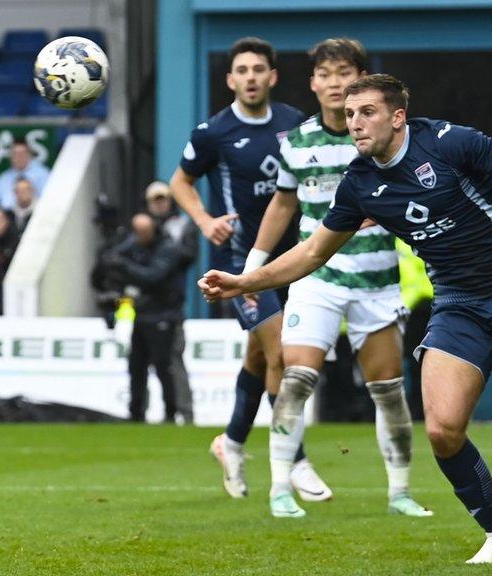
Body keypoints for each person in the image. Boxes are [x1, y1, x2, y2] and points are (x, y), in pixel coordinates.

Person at [201, 73, 492, 564]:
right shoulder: (360, 184)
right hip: (459, 302)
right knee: (443, 430)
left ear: (397, 117)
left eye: (366, 113)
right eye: (348, 115)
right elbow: (312, 253)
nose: (355, 124)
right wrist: (242, 281)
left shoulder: (450, 142)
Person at [247, 38, 429, 518]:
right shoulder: (297, 141)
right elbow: (284, 203)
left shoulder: (382, 140)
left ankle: (399, 493)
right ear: (312, 84)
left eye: (343, 73)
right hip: (317, 279)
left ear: (361, 81)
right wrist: (256, 260)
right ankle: (280, 488)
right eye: (325, 74)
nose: (334, 83)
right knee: (297, 377)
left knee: (389, 391)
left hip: (376, 280)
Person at [167, 37, 319, 499]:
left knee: (258, 357)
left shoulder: (297, 123)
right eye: (242, 70)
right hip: (240, 262)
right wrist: (204, 220)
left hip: (292, 259)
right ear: (230, 79)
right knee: (280, 355)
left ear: (272, 76)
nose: (250, 77)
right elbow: (180, 182)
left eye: (259, 69)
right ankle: (296, 460)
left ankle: (231, 443)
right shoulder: (213, 131)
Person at [99, 213, 187, 422]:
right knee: (136, 365)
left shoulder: (168, 248)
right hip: (143, 315)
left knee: (164, 367)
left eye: (144, 232)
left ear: (153, 230)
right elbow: (113, 258)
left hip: (164, 315)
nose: (141, 236)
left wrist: (123, 266)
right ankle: (136, 413)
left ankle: (170, 413)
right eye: (138, 232)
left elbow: (153, 277)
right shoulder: (134, 246)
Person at [144, 181, 197, 423]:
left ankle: (185, 413)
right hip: (146, 305)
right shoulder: (142, 227)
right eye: (155, 200)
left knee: (174, 360)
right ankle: (143, 412)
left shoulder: (180, 226)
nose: (160, 204)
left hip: (171, 305)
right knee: (143, 361)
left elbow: (187, 255)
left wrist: (162, 248)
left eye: (162, 199)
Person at [0, 140, 50, 209]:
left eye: (22, 153)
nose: (19, 157)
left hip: (35, 214)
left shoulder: (43, 174)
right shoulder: (5, 176)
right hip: (8, 216)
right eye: (15, 154)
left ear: (30, 155)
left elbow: (50, 199)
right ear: (10, 157)